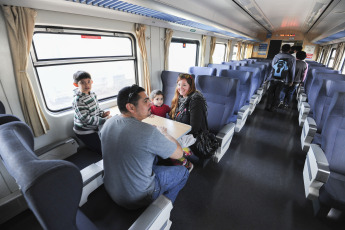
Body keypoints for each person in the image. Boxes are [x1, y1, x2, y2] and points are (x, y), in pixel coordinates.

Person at [101, 84, 189, 210]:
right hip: (136, 197)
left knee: (153, 156)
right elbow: (179, 153)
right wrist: (163, 133)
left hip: (111, 188)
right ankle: (160, 211)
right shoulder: (148, 132)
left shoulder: (108, 123)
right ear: (131, 107)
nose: (150, 104)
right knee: (183, 172)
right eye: (146, 101)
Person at [169, 73, 208, 164]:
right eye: (179, 84)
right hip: (181, 131)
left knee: (168, 144)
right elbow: (174, 117)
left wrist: (177, 135)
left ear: (190, 86)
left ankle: (186, 164)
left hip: (194, 135)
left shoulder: (196, 100)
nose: (180, 88)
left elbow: (194, 128)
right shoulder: (180, 98)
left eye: (184, 85)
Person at [72, 71, 111, 154]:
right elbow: (86, 119)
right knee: (104, 150)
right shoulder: (78, 100)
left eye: (89, 82)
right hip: (84, 131)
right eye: (83, 83)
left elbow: (97, 109)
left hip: (93, 126)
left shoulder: (92, 94)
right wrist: (104, 120)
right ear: (76, 85)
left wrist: (102, 114)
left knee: (109, 142)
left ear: (92, 82)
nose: (87, 85)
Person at [265, 44, 296, 111]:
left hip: (273, 77)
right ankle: (274, 107)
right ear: (289, 49)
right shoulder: (292, 58)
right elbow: (292, 70)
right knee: (278, 93)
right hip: (284, 79)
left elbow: (273, 66)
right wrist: (291, 81)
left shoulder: (277, 56)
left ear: (281, 49)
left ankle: (267, 106)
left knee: (270, 92)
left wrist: (268, 77)